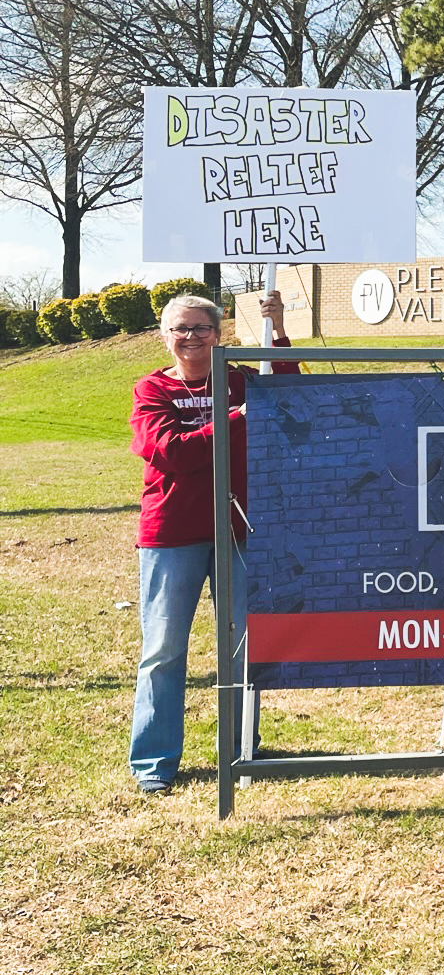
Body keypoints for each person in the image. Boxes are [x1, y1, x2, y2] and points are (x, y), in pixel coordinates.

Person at [128, 291, 298, 794]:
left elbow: (289, 398)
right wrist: (240, 420)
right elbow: (171, 453)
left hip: (240, 530)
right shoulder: (152, 389)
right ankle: (153, 763)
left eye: (201, 328)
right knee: (162, 650)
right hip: (172, 534)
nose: (191, 337)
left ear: (219, 334)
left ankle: (244, 749)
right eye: (180, 328)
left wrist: (281, 330)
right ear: (165, 336)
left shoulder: (242, 380)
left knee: (247, 647)